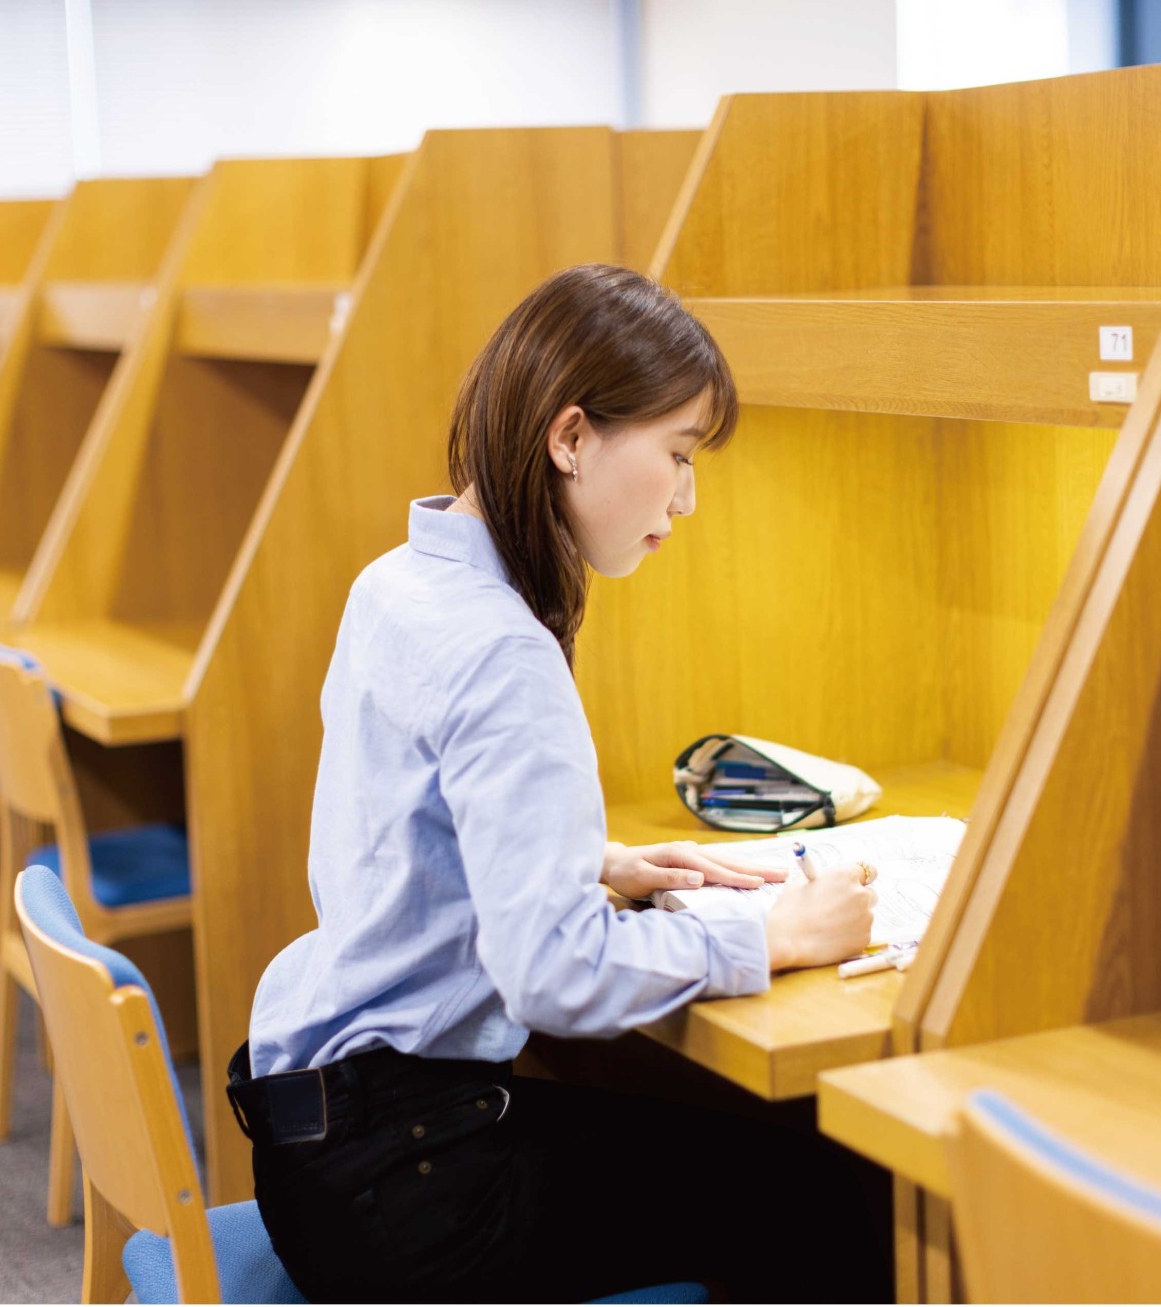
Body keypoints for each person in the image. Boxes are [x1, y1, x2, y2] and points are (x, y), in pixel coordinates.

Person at [233, 264, 888, 1303]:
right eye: (675, 453)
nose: (686, 497)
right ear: (570, 435)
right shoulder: (501, 647)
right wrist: (771, 934)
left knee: (736, 1156)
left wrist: (589, 861)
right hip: (412, 1195)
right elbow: (552, 974)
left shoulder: (400, 582)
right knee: (831, 1190)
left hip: (318, 1143)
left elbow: (401, 838)